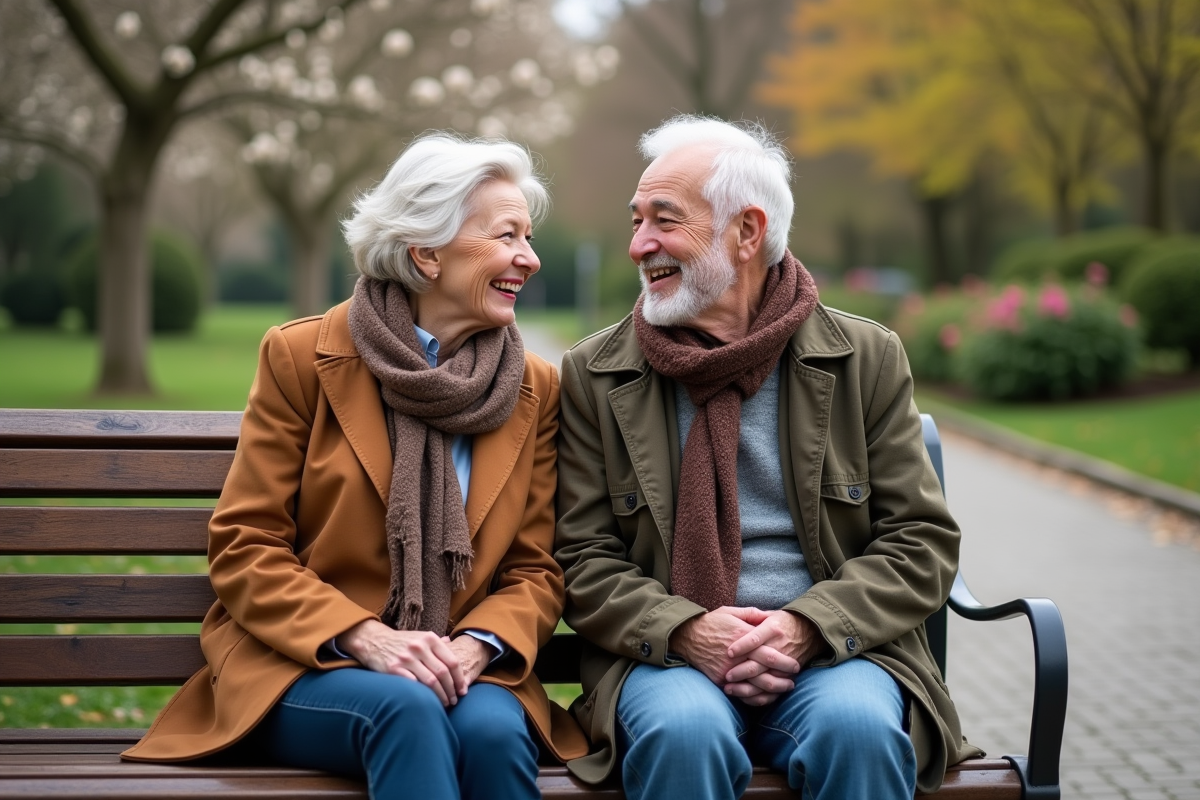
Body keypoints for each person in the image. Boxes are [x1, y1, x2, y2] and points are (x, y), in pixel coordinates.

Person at [122, 133, 587, 799]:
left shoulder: (535, 388)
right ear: (426, 252)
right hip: (305, 663)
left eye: (528, 237)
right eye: (507, 236)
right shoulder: (302, 357)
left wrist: (477, 645)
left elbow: (535, 568)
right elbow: (246, 545)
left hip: (463, 664)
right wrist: (367, 638)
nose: (530, 259)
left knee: (491, 733)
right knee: (407, 710)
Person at [553, 115, 982, 800]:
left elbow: (919, 540)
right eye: (635, 221)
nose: (639, 245)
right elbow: (580, 552)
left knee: (859, 731)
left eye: (664, 220)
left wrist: (806, 628)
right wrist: (688, 630)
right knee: (683, 733)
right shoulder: (595, 373)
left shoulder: (864, 358)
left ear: (747, 233)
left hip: (839, 652)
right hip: (663, 660)